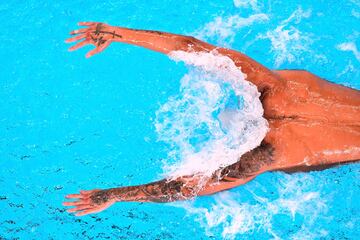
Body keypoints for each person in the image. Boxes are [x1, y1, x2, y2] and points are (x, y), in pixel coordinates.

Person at [63, 22, 360, 216]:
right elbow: (186, 188)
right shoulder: (272, 151)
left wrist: (116, 32)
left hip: (279, 113)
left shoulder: (281, 89)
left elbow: (191, 47)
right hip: (283, 146)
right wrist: (114, 195)